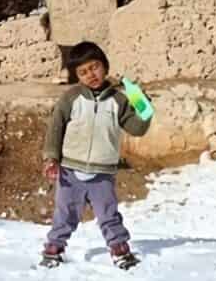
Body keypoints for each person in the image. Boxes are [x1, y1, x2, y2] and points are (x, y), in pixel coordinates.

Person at [40, 41, 153, 270]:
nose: (90, 74)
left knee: (108, 213)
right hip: (70, 171)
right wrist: (51, 157)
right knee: (65, 213)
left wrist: (141, 101)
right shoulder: (70, 98)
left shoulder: (118, 100)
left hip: (102, 172)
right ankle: (54, 246)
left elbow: (137, 128)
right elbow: (55, 128)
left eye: (94, 67)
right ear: (77, 76)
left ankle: (119, 247)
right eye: (83, 72)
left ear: (105, 66)